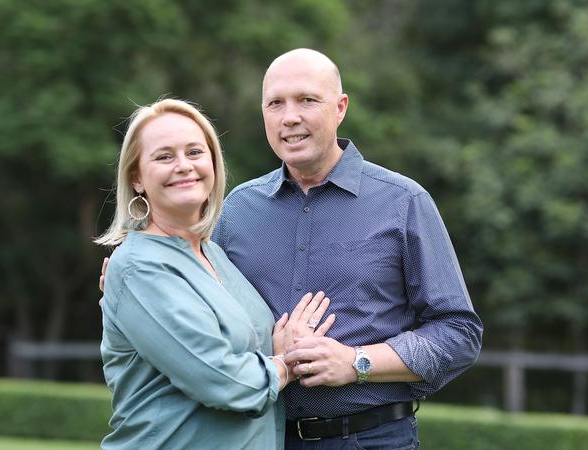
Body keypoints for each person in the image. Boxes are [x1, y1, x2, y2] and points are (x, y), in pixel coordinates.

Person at [211, 48, 483, 449]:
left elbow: (459, 333)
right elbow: (205, 316)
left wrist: (357, 363)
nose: (290, 117)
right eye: (275, 103)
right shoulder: (237, 210)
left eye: (307, 100)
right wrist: (138, 268)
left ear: (340, 108)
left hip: (372, 438)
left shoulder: (403, 201)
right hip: (262, 438)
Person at [94, 98, 336, 449]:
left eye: (195, 152)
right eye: (164, 156)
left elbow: (237, 349)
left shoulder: (214, 254)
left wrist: (273, 349)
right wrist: (285, 364)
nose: (183, 166)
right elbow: (225, 382)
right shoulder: (139, 267)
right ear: (137, 178)